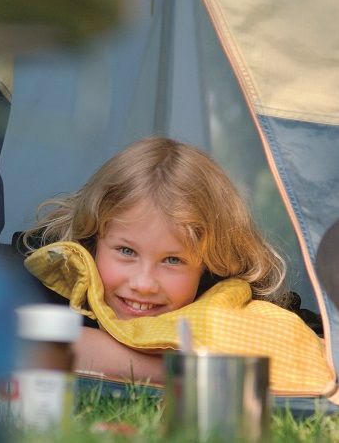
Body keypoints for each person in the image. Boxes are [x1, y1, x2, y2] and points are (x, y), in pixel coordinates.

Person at [21, 137, 332, 392]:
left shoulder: (226, 295)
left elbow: (318, 347)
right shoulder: (55, 272)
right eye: (126, 251)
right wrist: (195, 373)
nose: (143, 283)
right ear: (93, 239)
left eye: (172, 260)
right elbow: (35, 344)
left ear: (209, 265)